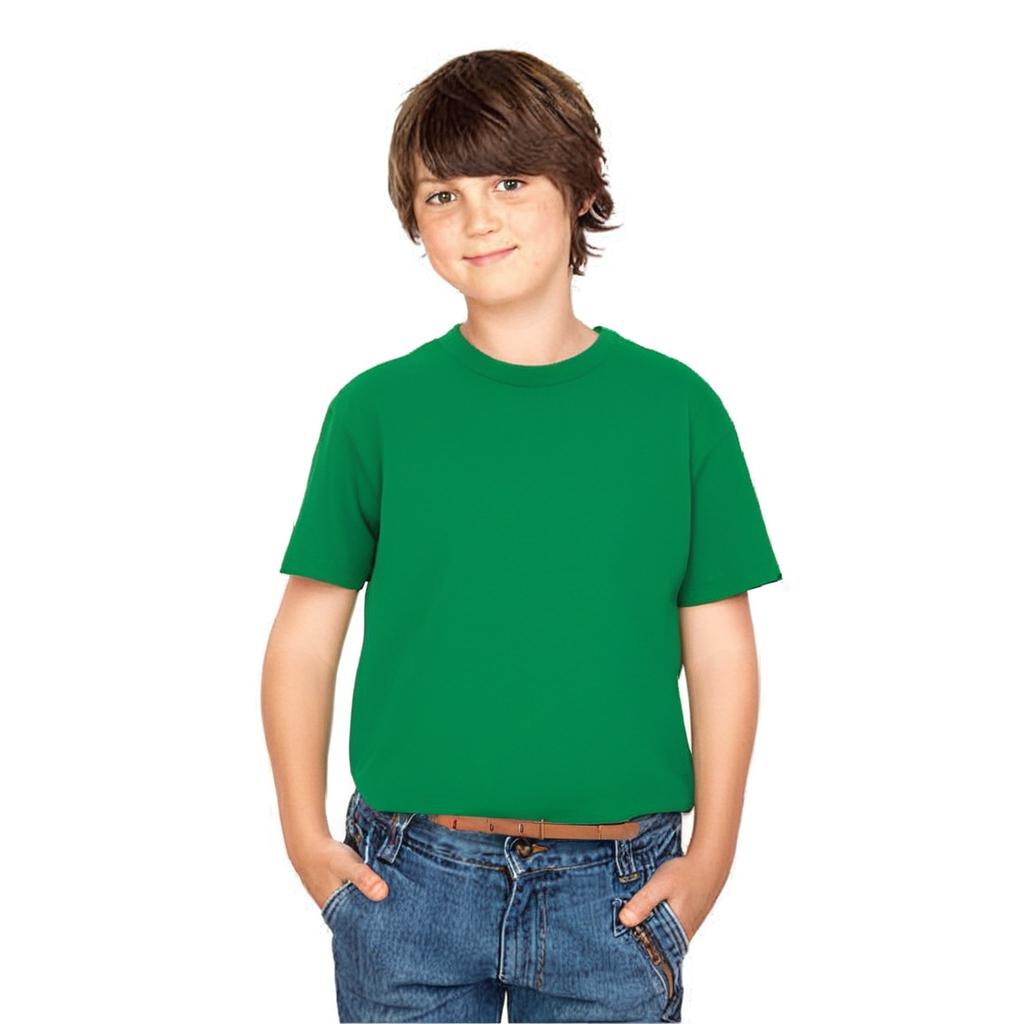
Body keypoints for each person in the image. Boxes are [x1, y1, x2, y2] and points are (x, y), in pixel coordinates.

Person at [262, 49, 782, 1024]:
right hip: (409, 876)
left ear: (580, 191)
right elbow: (303, 640)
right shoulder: (375, 412)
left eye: (509, 182)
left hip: (616, 887)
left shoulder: (678, 410)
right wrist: (302, 836)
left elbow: (720, 652)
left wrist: (712, 855)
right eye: (442, 196)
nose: (477, 219)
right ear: (414, 221)